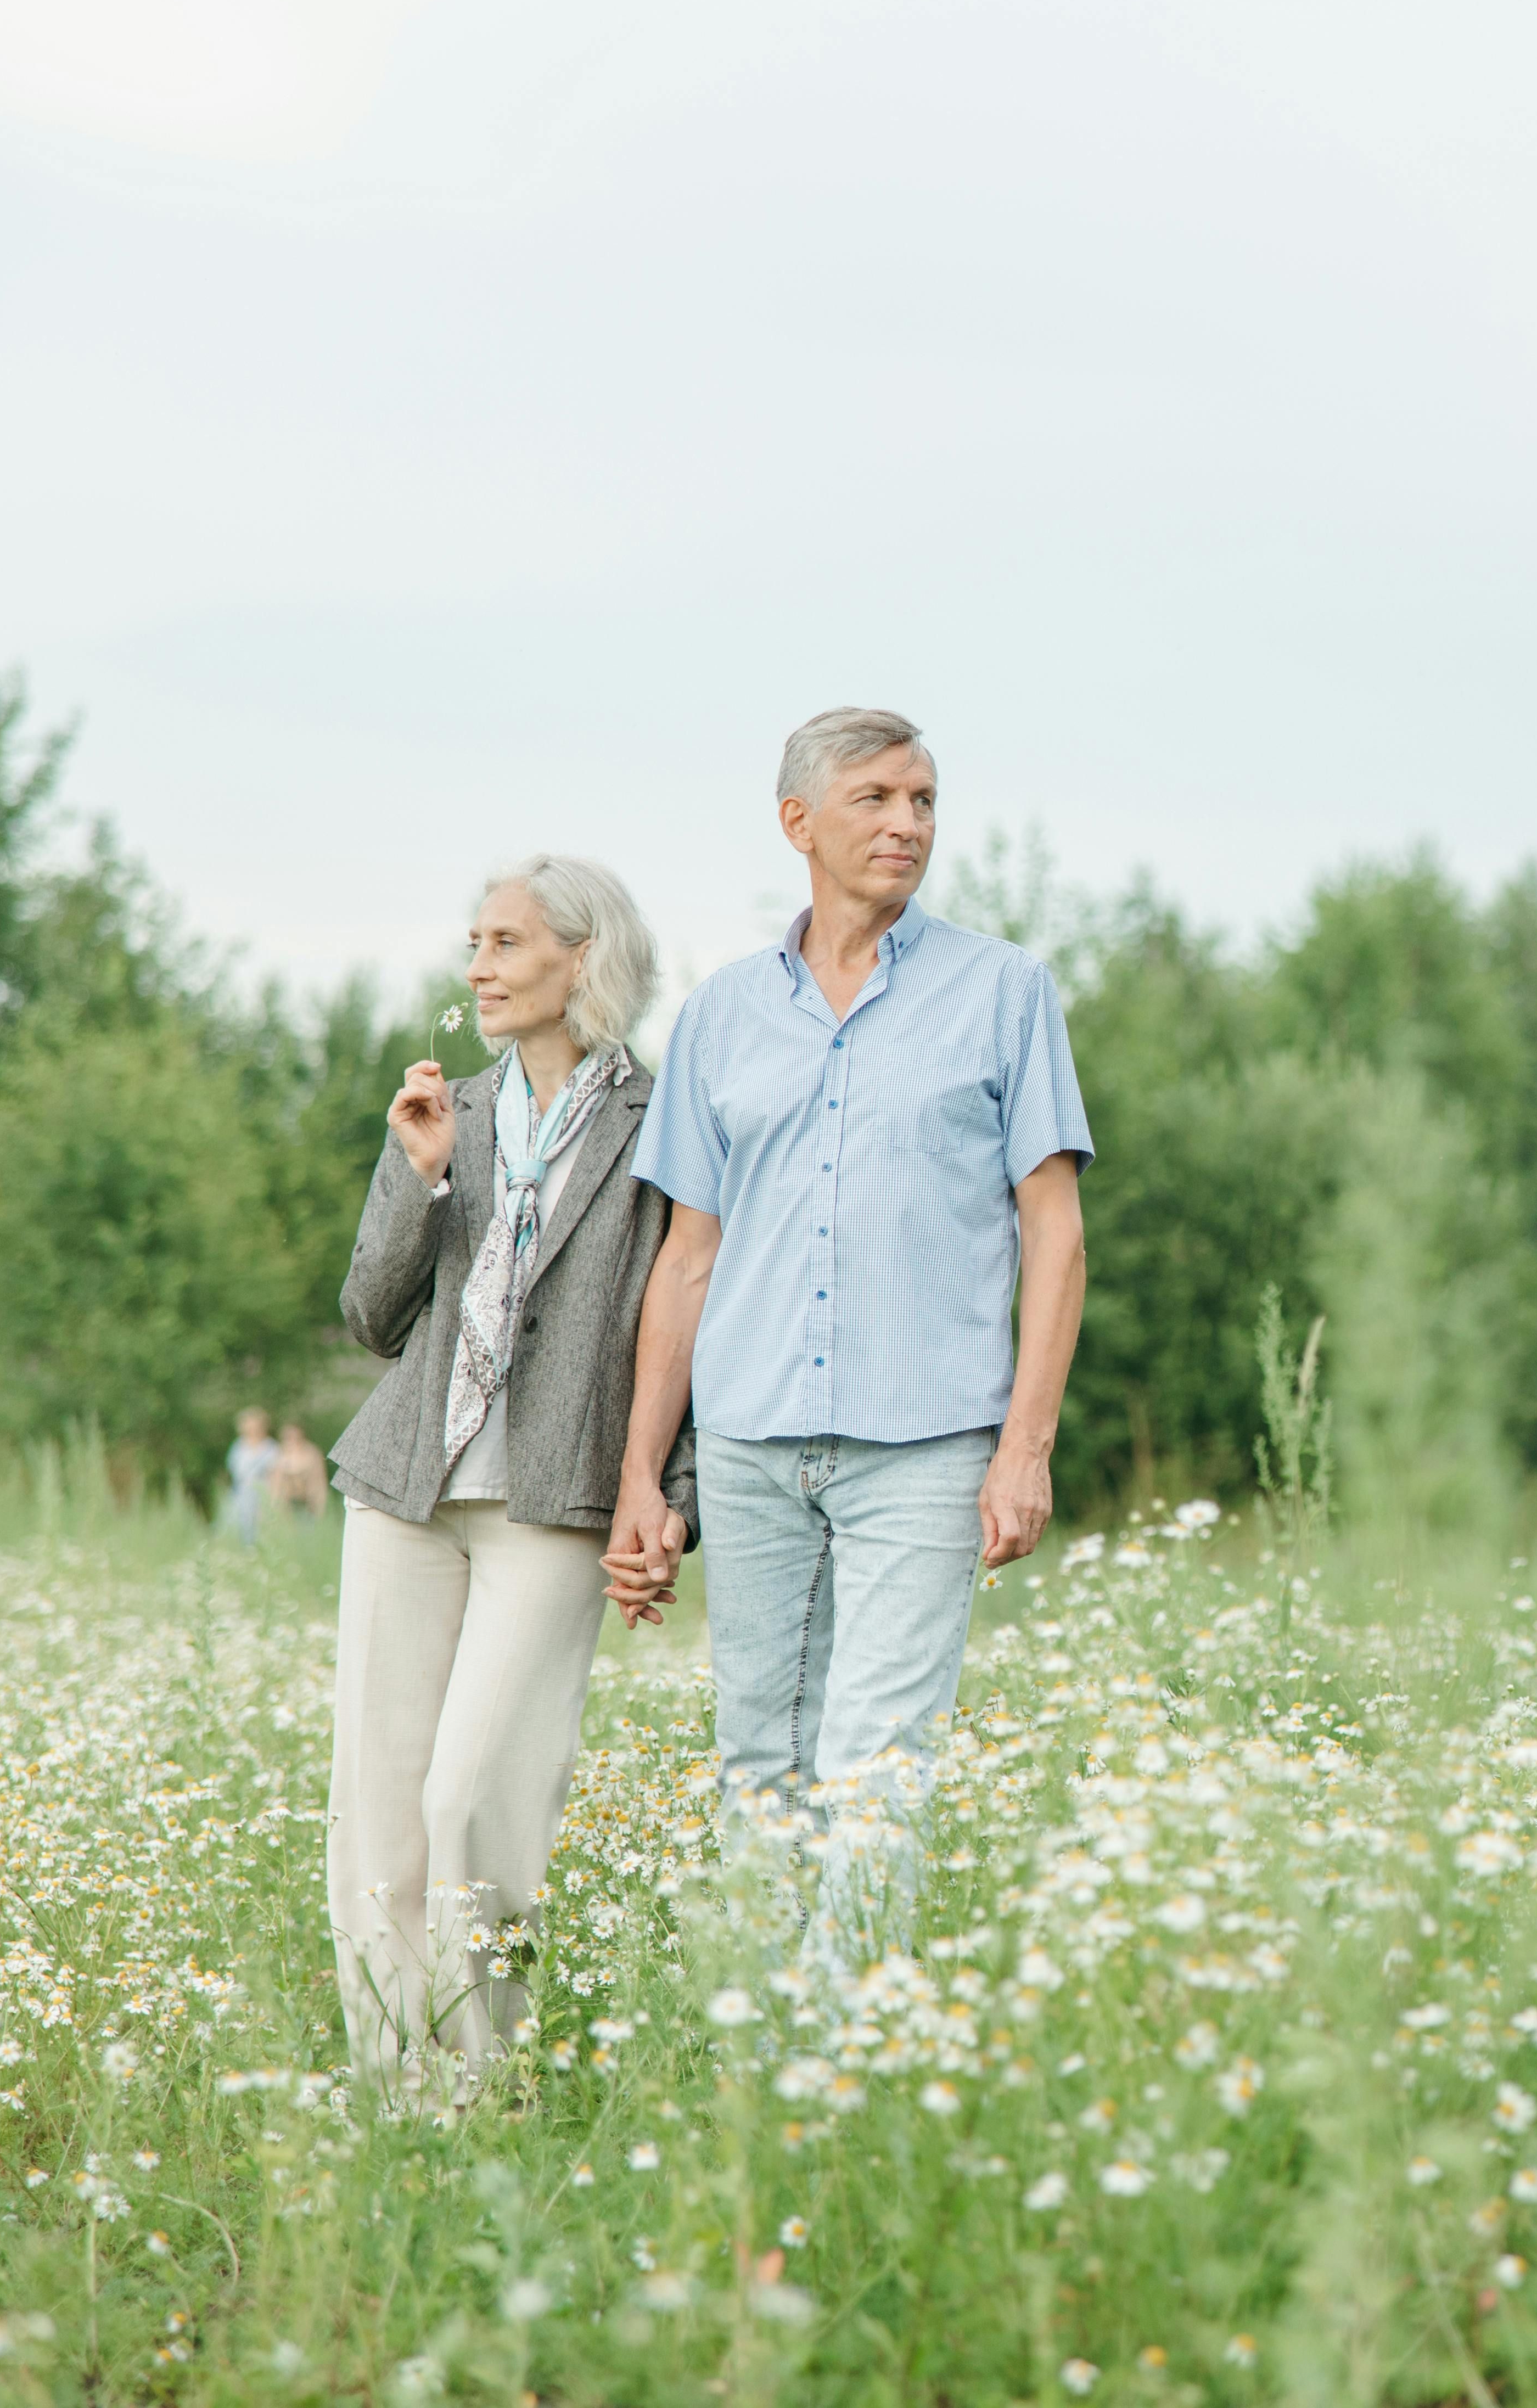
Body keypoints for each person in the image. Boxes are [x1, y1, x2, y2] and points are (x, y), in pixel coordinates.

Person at [603, 707, 1089, 1964]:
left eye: (924, 801)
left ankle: (840, 2054)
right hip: (754, 1440)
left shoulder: (1004, 992)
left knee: (875, 1757)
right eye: (876, 799)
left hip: (926, 1445)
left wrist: (1023, 1449)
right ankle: (760, 2046)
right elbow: (687, 1260)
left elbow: (1058, 1235)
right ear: (798, 823)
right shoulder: (719, 1018)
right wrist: (641, 1480)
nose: (909, 824)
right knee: (758, 1752)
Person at [322, 854, 698, 2107]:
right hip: (406, 1488)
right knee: (379, 1798)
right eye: (472, 943)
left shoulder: (666, 1123)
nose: (476, 966)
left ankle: (487, 2087)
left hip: (560, 1491)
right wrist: (415, 1174)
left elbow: (690, 1316)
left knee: (477, 1789)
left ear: (580, 961)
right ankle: (394, 2083)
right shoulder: (455, 1114)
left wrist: (673, 1495)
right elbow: (373, 1317)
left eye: (505, 943)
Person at [223, 1407, 277, 1542]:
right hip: (239, 1496)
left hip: (262, 1496)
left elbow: (275, 1477)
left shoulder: (271, 1448)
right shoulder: (238, 1447)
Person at [268, 1421, 328, 1524]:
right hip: (286, 1505)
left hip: (308, 1503)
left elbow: (319, 1483)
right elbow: (275, 1484)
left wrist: (320, 1507)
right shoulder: (279, 1454)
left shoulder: (312, 1454)